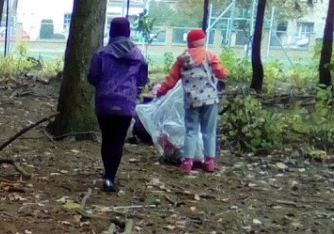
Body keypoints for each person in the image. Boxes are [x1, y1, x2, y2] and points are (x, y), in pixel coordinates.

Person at [153, 28, 228, 173]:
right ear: (203, 41)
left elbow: (171, 79)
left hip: (191, 101)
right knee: (209, 131)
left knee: (191, 130)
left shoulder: (182, 60)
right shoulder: (210, 56)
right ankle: (209, 162)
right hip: (210, 100)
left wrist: (161, 91)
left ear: (188, 42)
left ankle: (187, 162)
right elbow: (222, 73)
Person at [87, 17, 149, 192]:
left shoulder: (101, 53)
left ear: (111, 32)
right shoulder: (138, 55)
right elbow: (142, 79)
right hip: (125, 104)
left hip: (104, 103)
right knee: (118, 141)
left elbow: (92, 77)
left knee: (107, 139)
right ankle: (110, 177)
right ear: (128, 32)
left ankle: (107, 172)